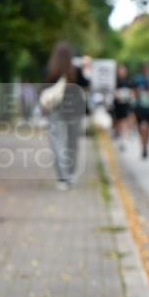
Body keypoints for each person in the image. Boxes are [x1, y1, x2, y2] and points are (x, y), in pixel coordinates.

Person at [44, 42, 90, 190]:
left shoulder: (49, 71)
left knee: (58, 143)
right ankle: (70, 174)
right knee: (72, 144)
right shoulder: (75, 70)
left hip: (55, 111)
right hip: (74, 111)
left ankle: (62, 177)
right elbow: (86, 84)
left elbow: (44, 92)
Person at [132, 61, 149, 159]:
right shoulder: (137, 79)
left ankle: (146, 146)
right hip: (140, 107)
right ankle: (143, 147)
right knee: (142, 128)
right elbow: (133, 92)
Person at [111, 64, 134, 151]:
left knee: (124, 121)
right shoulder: (114, 81)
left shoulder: (129, 81)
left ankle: (123, 140)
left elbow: (133, 92)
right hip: (116, 105)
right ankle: (118, 135)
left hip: (126, 104)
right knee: (117, 122)